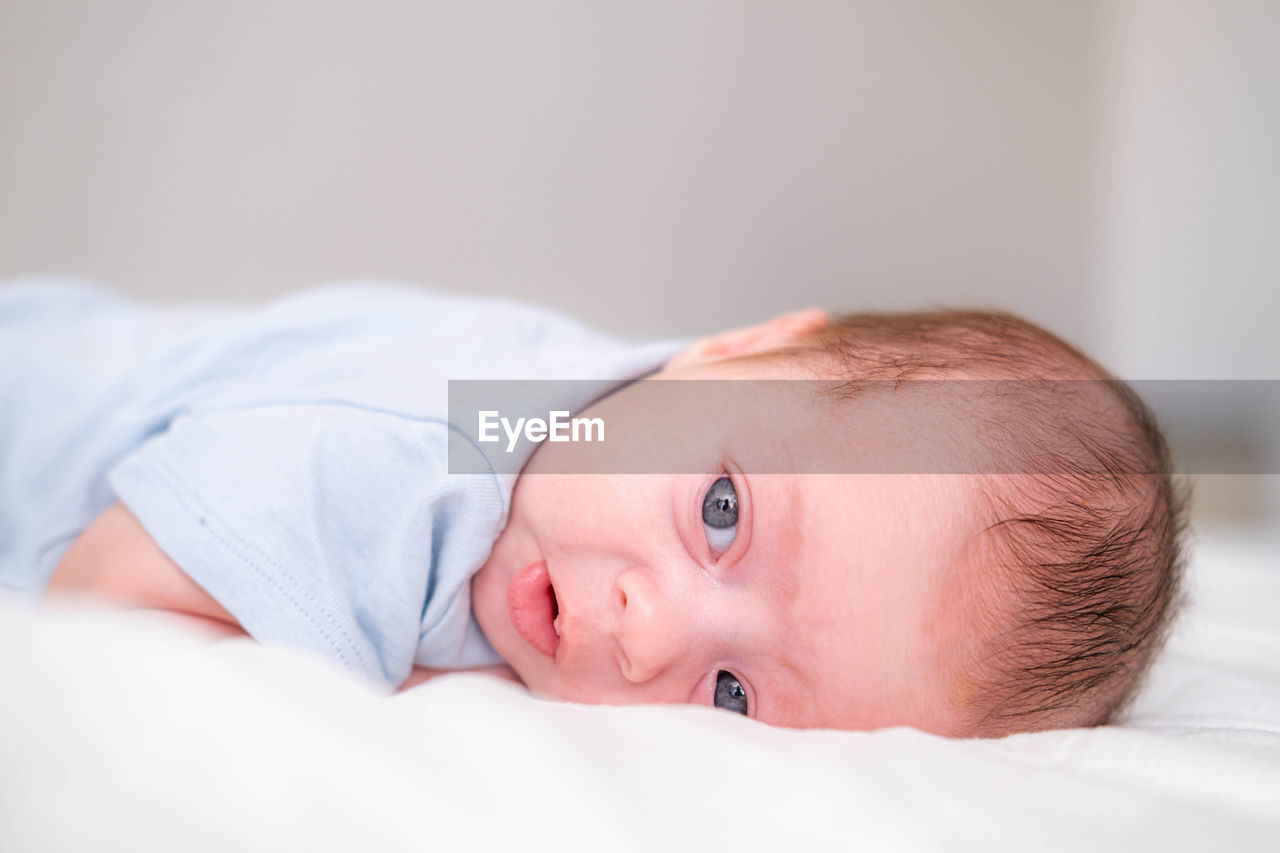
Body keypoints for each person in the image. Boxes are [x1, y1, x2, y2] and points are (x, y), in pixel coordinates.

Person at [1, 277, 1187, 737]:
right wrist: (417, 683)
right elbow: (106, 616)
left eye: (732, 694)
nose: (649, 628)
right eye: (720, 515)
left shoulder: (639, 437)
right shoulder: (392, 459)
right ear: (740, 344)